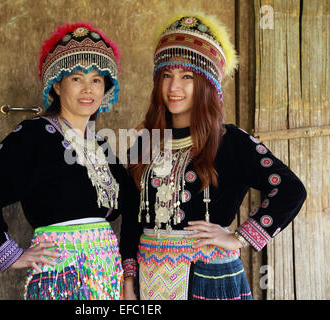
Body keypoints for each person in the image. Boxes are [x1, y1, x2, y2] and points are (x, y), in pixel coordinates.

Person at [125, 13, 307, 300]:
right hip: (150, 279)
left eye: (187, 77)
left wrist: (239, 237)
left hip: (212, 278)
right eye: (167, 76)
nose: (174, 87)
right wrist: (128, 277)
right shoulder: (144, 142)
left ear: (209, 85)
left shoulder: (231, 141)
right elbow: (132, 217)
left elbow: (291, 189)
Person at [0, 22, 140, 300]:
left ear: (105, 88)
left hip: (107, 277)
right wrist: (10, 254)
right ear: (57, 85)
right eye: (77, 79)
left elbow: (132, 202)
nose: (87, 89)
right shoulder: (35, 135)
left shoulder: (101, 145)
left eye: (96, 80)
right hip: (60, 276)